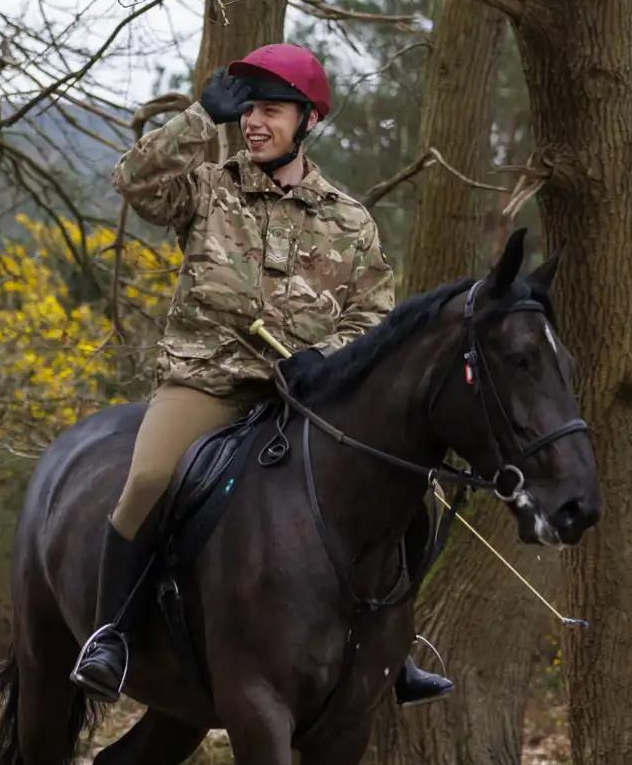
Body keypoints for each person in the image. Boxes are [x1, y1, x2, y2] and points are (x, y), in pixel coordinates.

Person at [69, 43, 453, 706]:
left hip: (307, 398)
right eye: (248, 110)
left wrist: (325, 358)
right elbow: (131, 180)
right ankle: (111, 637)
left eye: (271, 111)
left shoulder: (349, 220)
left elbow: (374, 316)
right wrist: (197, 118)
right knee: (150, 477)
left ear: (308, 121)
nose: (255, 122)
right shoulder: (208, 189)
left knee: (416, 499)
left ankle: (395, 648)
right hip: (207, 383)